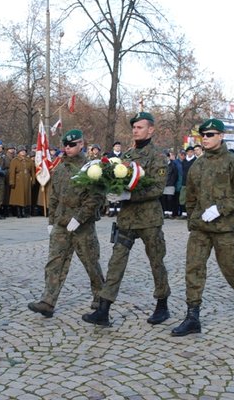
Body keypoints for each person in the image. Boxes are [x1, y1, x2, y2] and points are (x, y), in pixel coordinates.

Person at [171, 118, 234, 337]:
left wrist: (220, 208)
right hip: (201, 228)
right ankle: (193, 316)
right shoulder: (197, 165)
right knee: (193, 268)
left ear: (221, 136)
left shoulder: (233, 162)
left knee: (230, 268)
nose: (206, 139)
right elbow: (189, 196)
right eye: (204, 136)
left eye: (210, 135)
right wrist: (193, 219)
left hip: (226, 227)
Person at [82, 111, 171, 327]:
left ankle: (162, 306)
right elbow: (117, 179)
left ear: (151, 130)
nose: (135, 130)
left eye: (139, 127)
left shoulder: (158, 157)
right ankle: (103, 310)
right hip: (127, 220)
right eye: (134, 127)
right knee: (116, 263)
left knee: (156, 262)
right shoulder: (127, 156)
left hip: (149, 220)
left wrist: (129, 194)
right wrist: (112, 192)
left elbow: (157, 189)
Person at [28, 129, 106, 318]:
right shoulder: (60, 168)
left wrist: (79, 218)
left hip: (82, 225)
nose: (68, 148)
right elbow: (53, 196)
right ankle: (48, 301)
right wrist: (51, 221)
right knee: (54, 263)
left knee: (91, 263)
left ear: (81, 144)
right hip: (62, 224)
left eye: (72, 144)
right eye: (65, 145)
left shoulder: (91, 168)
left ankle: (101, 298)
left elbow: (95, 197)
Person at [8, 145, 34, 218]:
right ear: (18, 152)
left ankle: (24, 212)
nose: (23, 152)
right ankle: (19, 212)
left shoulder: (29, 161)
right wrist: (12, 182)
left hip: (27, 180)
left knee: (26, 196)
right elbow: (12, 172)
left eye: (24, 151)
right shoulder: (14, 160)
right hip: (18, 180)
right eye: (21, 151)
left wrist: (33, 181)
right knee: (18, 197)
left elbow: (33, 172)